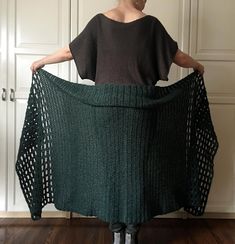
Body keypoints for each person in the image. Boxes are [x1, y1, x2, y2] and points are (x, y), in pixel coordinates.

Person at [30, 0, 204, 243]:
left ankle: (116, 232)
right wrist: (198, 66)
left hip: (105, 110)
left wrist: (41, 62)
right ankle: (132, 232)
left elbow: (70, 51)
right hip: (141, 111)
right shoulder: (151, 25)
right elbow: (179, 57)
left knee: (108, 171)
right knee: (137, 170)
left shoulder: (99, 22)